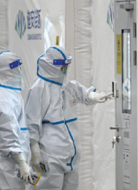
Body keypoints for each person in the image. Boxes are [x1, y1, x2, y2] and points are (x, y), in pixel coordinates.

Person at [25, 46, 112, 189]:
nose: (65, 69)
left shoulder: (66, 85)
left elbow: (82, 93)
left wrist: (95, 96)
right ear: (52, 66)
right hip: (50, 156)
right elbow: (31, 123)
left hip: (72, 155)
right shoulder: (39, 88)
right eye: (63, 66)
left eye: (67, 66)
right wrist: (35, 151)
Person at [0, 51, 33, 189]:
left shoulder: (2, 91)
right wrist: (21, 162)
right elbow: (9, 136)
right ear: (7, 71)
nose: (20, 72)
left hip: (3, 163)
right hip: (6, 164)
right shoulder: (4, 99)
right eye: (16, 68)